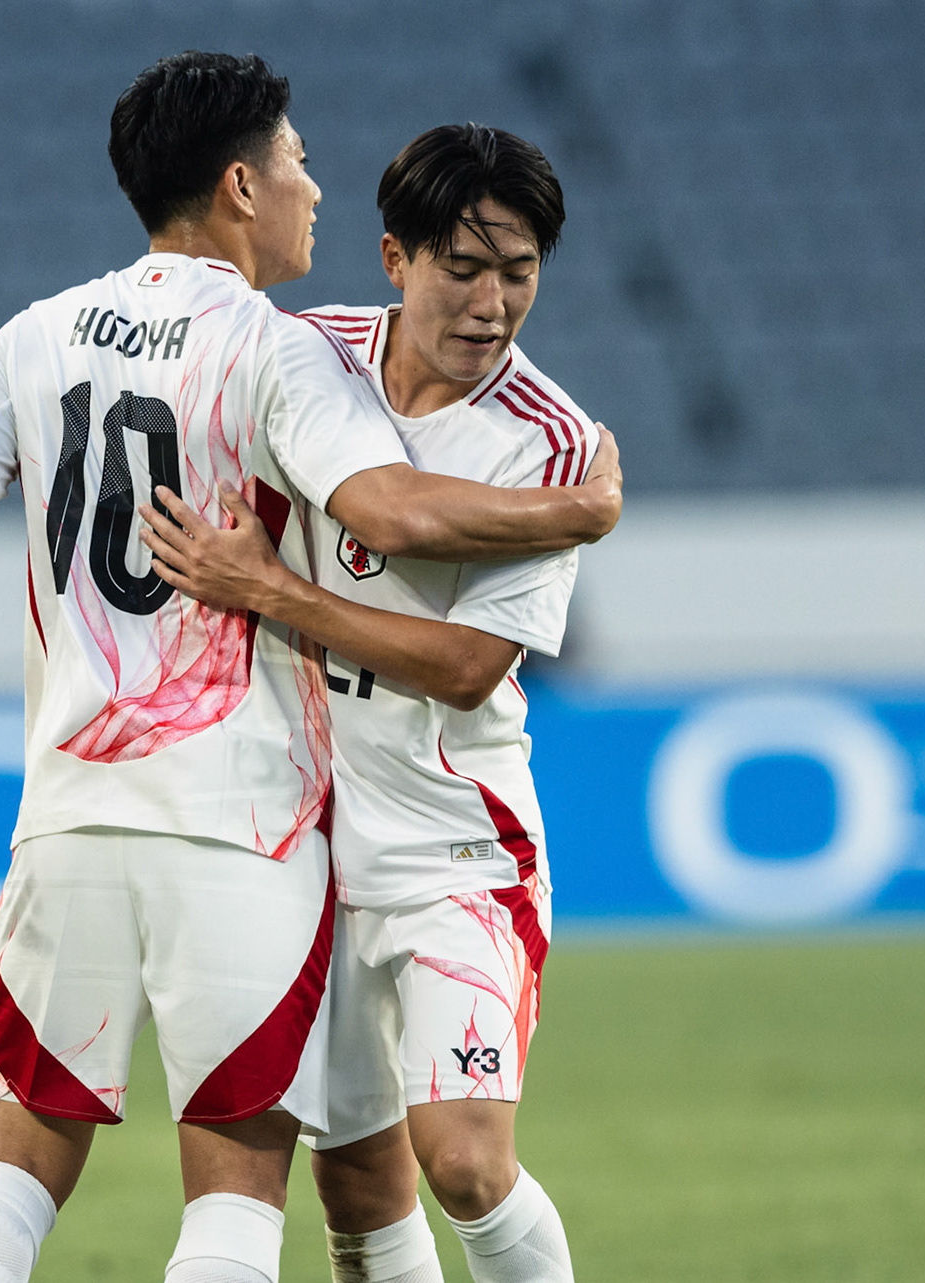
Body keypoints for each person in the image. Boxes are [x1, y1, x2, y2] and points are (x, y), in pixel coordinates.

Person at [0, 54, 620, 1283]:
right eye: (295, 160)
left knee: (13, 1163)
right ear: (239, 183)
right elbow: (394, 510)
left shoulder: (38, 328)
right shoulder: (292, 352)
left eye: (515, 272)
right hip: (252, 825)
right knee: (244, 1183)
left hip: (122, 812)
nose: (308, 185)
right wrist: (581, 515)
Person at [139, 124, 598, 1283]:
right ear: (395, 258)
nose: (492, 301)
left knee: (466, 1164)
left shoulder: (551, 447)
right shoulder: (307, 353)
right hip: (296, 836)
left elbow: (465, 666)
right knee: (353, 1173)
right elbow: (350, 513)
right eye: (464, 264)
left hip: (453, 841)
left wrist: (275, 593)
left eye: (520, 270)